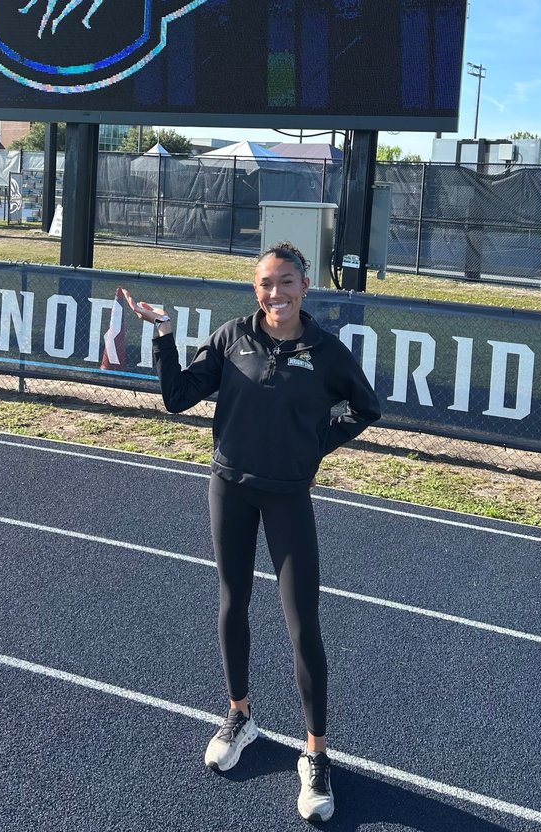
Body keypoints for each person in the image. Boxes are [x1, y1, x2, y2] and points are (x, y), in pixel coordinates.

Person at [123, 242, 381, 823]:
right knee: (232, 603)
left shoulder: (327, 351)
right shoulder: (232, 336)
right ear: (254, 288)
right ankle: (240, 716)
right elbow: (176, 398)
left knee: (301, 623)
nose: (276, 294)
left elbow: (366, 408)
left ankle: (315, 754)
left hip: (287, 495)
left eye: (286, 282)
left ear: (305, 286)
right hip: (230, 487)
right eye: (266, 284)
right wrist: (163, 334)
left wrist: (317, 442)